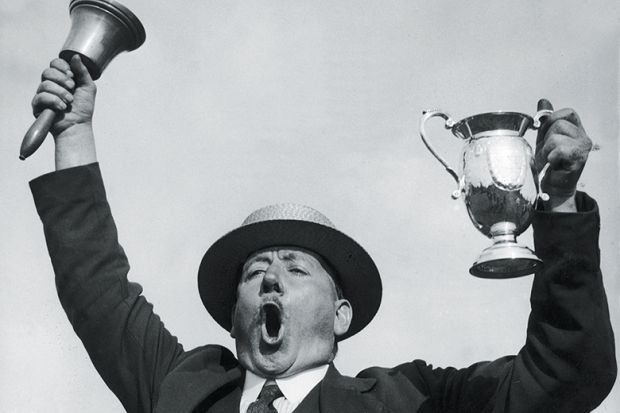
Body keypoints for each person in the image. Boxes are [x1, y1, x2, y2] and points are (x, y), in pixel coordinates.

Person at [29, 55, 615, 413]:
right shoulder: (181, 390)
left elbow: (567, 374)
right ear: (234, 314)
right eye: (255, 271)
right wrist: (74, 132)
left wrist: (557, 204)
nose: (270, 279)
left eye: (295, 267)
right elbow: (96, 288)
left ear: (340, 315)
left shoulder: (411, 403)